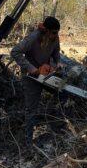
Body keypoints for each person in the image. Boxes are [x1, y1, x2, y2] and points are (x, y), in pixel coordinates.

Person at [11, 16, 61, 151]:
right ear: (46, 30)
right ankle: (28, 142)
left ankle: (56, 127)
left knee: (62, 93)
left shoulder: (55, 38)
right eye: (54, 33)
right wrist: (32, 69)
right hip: (31, 76)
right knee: (31, 108)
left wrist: (54, 66)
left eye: (57, 33)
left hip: (46, 73)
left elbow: (56, 54)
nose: (56, 36)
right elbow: (15, 52)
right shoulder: (33, 38)